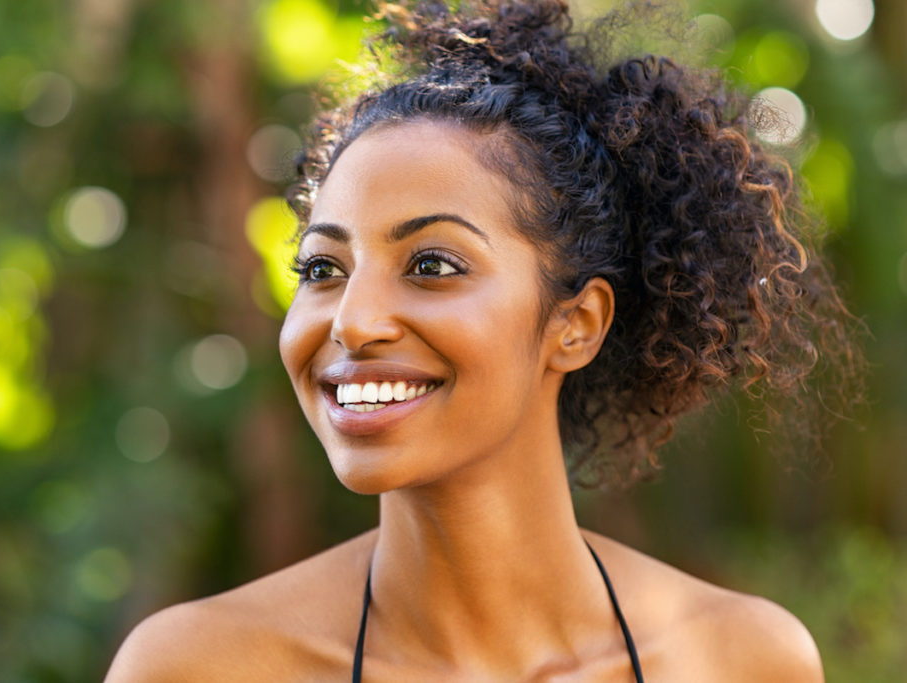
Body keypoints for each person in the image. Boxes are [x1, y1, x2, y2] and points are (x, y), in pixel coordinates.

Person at [107, 1, 858, 679]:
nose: (352, 321)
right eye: (323, 267)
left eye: (431, 264)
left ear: (576, 323)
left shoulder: (742, 662)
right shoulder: (197, 667)